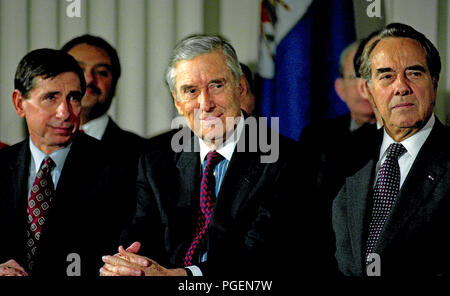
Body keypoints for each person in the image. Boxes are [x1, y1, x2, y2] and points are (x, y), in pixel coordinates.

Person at [99, 35, 324, 277]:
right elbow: (141, 233)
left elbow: (261, 255)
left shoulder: (288, 159)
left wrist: (184, 277)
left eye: (217, 85)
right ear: (177, 101)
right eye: (191, 91)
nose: (205, 103)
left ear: (240, 87)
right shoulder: (156, 161)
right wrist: (130, 264)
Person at [0, 49, 132, 276]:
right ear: (19, 103)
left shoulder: (120, 170)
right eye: (51, 98)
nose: (65, 112)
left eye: (74, 98)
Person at [333, 23, 450, 276]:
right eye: (386, 76)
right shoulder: (342, 157)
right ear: (369, 91)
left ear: (435, 82)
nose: (401, 87)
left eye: (415, 73)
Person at [61, 35, 147, 152]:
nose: (89, 79)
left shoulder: (142, 152)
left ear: (115, 84)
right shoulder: (36, 144)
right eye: (78, 70)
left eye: (101, 72)